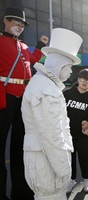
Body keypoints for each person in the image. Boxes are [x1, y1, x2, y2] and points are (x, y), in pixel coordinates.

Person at [21, 28, 82, 200]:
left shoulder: (39, 83)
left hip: (40, 160)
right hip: (47, 165)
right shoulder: (48, 90)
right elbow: (52, 135)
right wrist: (64, 169)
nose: (71, 72)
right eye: (69, 67)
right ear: (60, 65)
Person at [0, 7, 48, 200]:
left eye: (22, 24)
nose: (20, 27)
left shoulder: (22, 46)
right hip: (4, 95)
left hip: (22, 99)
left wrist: (40, 45)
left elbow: (32, 59)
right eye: (16, 23)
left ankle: (21, 191)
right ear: (6, 21)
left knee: (21, 146)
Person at [63, 68, 88, 193]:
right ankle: (71, 179)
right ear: (78, 79)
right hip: (67, 133)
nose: (85, 82)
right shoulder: (67, 94)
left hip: (84, 134)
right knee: (70, 157)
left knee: (84, 157)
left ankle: (86, 179)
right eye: (83, 79)